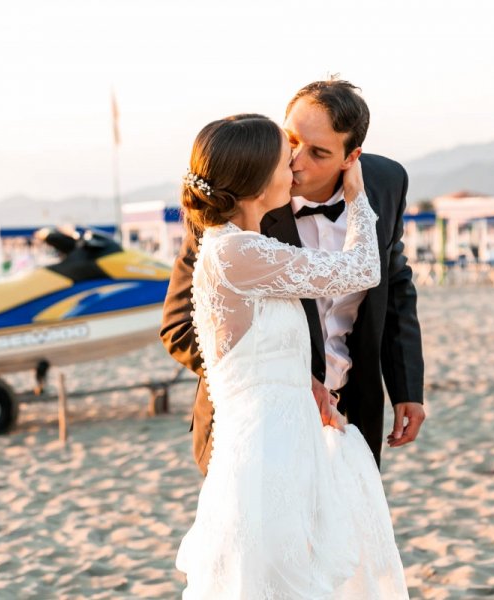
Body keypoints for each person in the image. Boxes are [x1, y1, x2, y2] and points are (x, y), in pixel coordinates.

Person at [172, 113, 408, 598]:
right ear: (259, 183)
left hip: (289, 443)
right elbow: (362, 269)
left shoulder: (245, 249)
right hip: (265, 455)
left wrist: (307, 382)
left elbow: (258, 349)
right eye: (286, 159)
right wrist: (358, 195)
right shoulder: (236, 253)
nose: (295, 168)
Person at [161, 80, 425, 475]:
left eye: (318, 152)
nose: (297, 161)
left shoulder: (387, 182)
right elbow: (180, 327)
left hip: (351, 415)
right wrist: (287, 382)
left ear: (351, 157)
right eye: (291, 140)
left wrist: (406, 387)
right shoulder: (237, 194)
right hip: (259, 428)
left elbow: (394, 285)